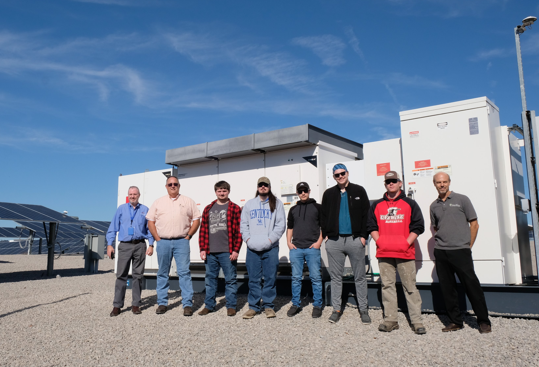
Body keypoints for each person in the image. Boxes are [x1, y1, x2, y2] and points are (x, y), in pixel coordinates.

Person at [430, 172, 492, 334]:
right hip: (442, 252)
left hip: (461, 251)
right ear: (434, 184)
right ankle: (455, 321)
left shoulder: (462, 200)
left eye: (444, 181)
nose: (442, 184)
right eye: (438, 182)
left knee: (472, 286)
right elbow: (436, 228)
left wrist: (467, 246)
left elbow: (474, 224)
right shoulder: (433, 206)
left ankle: (483, 321)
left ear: (449, 182)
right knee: (447, 288)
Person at [367, 171, 426, 334]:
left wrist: (405, 243)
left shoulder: (410, 204)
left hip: (405, 253)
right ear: (385, 184)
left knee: (410, 287)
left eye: (394, 181)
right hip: (384, 253)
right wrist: (380, 242)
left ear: (400, 183)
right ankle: (391, 320)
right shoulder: (377, 205)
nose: (391, 184)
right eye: (388, 182)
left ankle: (417, 321)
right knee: (387, 286)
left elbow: (418, 226)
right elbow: (371, 226)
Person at [321, 163, 371, 324]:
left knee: (360, 276)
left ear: (347, 173)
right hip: (334, 241)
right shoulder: (328, 194)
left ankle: (363, 309)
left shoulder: (359, 190)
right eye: (337, 175)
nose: (340, 176)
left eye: (342, 173)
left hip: (354, 239)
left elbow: (367, 214)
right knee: (336, 277)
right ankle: (336, 309)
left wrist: (363, 236)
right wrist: (326, 236)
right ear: (334, 177)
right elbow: (323, 216)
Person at [146, 176, 201, 316]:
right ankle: (162, 303)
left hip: (182, 241)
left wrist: (188, 236)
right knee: (163, 272)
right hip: (163, 241)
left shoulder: (188, 201)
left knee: (184, 273)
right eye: (170, 184)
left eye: (175, 184)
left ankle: (187, 304)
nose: (172, 186)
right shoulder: (158, 202)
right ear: (166, 186)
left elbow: (196, 219)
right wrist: (157, 238)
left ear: (179, 185)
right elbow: (150, 221)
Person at [240, 177, 286, 319]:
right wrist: (248, 240)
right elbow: (243, 224)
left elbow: (281, 225)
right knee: (253, 279)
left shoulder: (277, 203)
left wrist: (270, 240)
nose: (263, 187)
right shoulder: (249, 204)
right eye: (260, 185)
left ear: (269, 187)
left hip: (270, 248)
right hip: (252, 248)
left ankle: (268, 306)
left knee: (270, 278)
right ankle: (253, 307)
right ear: (257, 187)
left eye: (265, 185)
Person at [106, 186, 154, 316]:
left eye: (135, 194)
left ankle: (136, 304)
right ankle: (117, 305)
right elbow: (113, 228)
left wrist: (151, 244)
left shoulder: (145, 210)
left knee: (138, 276)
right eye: (130, 194)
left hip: (140, 245)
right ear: (128, 195)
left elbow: (149, 229)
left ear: (139, 195)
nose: (132, 196)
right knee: (121, 275)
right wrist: (109, 244)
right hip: (125, 246)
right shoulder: (121, 209)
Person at [198, 181, 243, 317]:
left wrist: (236, 250)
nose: (222, 193)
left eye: (224, 190)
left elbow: (239, 231)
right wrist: (202, 249)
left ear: (228, 191)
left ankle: (231, 306)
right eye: (219, 191)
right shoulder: (208, 208)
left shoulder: (234, 208)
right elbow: (203, 230)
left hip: (228, 251)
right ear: (215, 192)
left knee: (230, 280)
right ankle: (209, 305)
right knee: (210, 280)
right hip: (211, 252)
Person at [286, 182, 323, 318]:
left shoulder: (318, 207)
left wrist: (318, 242)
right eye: (300, 191)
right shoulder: (293, 210)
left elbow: (323, 227)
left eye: (305, 191)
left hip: (312, 248)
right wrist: (288, 243)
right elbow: (290, 227)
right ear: (297, 193)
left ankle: (317, 305)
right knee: (296, 278)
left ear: (309, 191)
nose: (303, 193)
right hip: (296, 249)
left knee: (316, 278)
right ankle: (296, 304)